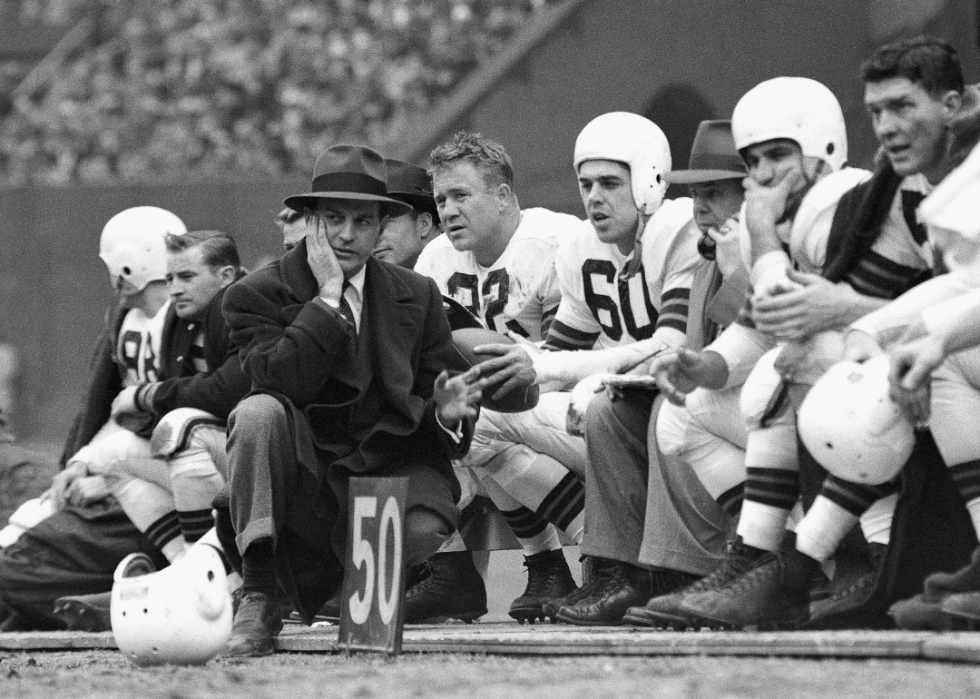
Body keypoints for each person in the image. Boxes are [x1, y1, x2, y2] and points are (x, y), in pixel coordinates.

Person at [643, 47, 965, 630]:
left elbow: (943, 296)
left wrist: (850, 309)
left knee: (795, 367)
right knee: (692, 408)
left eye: (777, 155)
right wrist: (705, 365)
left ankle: (849, 559)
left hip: (915, 372)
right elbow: (760, 326)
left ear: (822, 149)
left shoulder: (855, 199)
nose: (763, 174)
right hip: (902, 361)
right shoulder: (796, 213)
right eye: (753, 160)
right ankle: (763, 561)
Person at [220, 144, 484, 657]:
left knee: (428, 522)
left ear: (382, 226)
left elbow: (443, 401)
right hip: (306, 473)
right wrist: (326, 298)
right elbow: (280, 382)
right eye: (334, 219)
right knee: (256, 412)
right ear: (312, 221)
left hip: (388, 464)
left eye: (363, 222)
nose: (346, 234)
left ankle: (355, 599)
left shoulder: (418, 294)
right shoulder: (256, 293)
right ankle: (259, 590)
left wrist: (450, 415)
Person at [468, 112, 704, 622]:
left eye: (610, 183)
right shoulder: (580, 248)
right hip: (618, 412)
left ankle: (629, 566)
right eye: (586, 183)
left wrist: (577, 374)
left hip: (674, 407)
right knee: (476, 420)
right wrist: (509, 370)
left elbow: (670, 343)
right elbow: (559, 354)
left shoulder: (677, 228)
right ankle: (596, 551)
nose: (594, 197)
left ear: (650, 180)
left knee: (600, 406)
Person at [555, 120, 748, 625]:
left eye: (717, 193)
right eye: (696, 193)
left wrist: (744, 269)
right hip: (731, 397)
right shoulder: (710, 256)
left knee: (676, 405)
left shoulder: (753, 245)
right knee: (610, 411)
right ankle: (626, 574)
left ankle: (687, 572)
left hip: (775, 401)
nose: (701, 206)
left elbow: (749, 340)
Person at [412, 132, 582, 623]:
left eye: (461, 195)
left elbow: (565, 360)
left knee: (476, 421)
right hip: (507, 413)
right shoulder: (436, 261)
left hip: (572, 400)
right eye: (441, 199)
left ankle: (594, 547)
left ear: (504, 196)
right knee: (455, 417)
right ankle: (546, 565)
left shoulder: (554, 243)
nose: (447, 211)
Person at [0, 207, 189, 630]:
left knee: (10, 573)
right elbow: (120, 416)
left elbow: (181, 430)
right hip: (124, 483)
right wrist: (85, 462)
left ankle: (136, 600)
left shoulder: (189, 326)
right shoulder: (133, 320)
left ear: (125, 262)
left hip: (154, 498)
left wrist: (102, 473)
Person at [375, 159, 443, 269]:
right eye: (371, 225)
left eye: (386, 223)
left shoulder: (467, 261)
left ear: (424, 224)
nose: (374, 238)